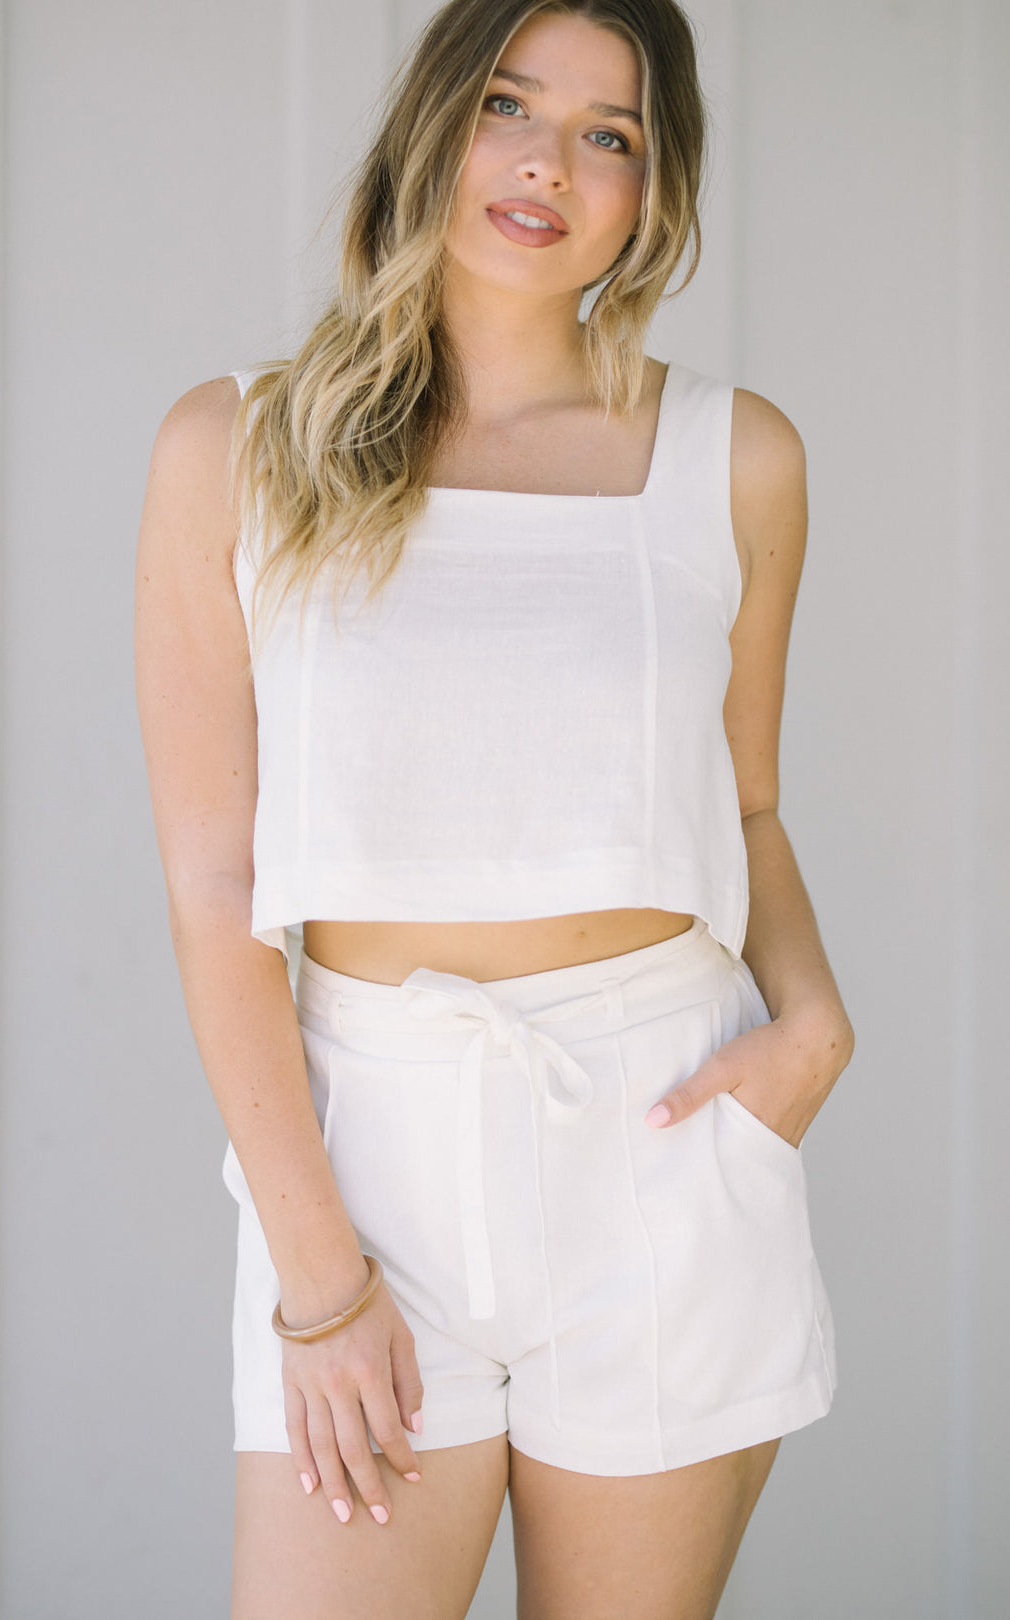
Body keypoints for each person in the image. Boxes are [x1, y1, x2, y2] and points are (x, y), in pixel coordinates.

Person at [134, 2, 854, 1615]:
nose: (550, 163)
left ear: (655, 190)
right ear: (436, 123)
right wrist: (322, 1282)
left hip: (664, 1132)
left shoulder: (733, 459)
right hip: (367, 1153)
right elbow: (211, 878)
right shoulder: (237, 447)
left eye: (610, 133)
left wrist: (810, 1026)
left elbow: (744, 806)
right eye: (512, 106)